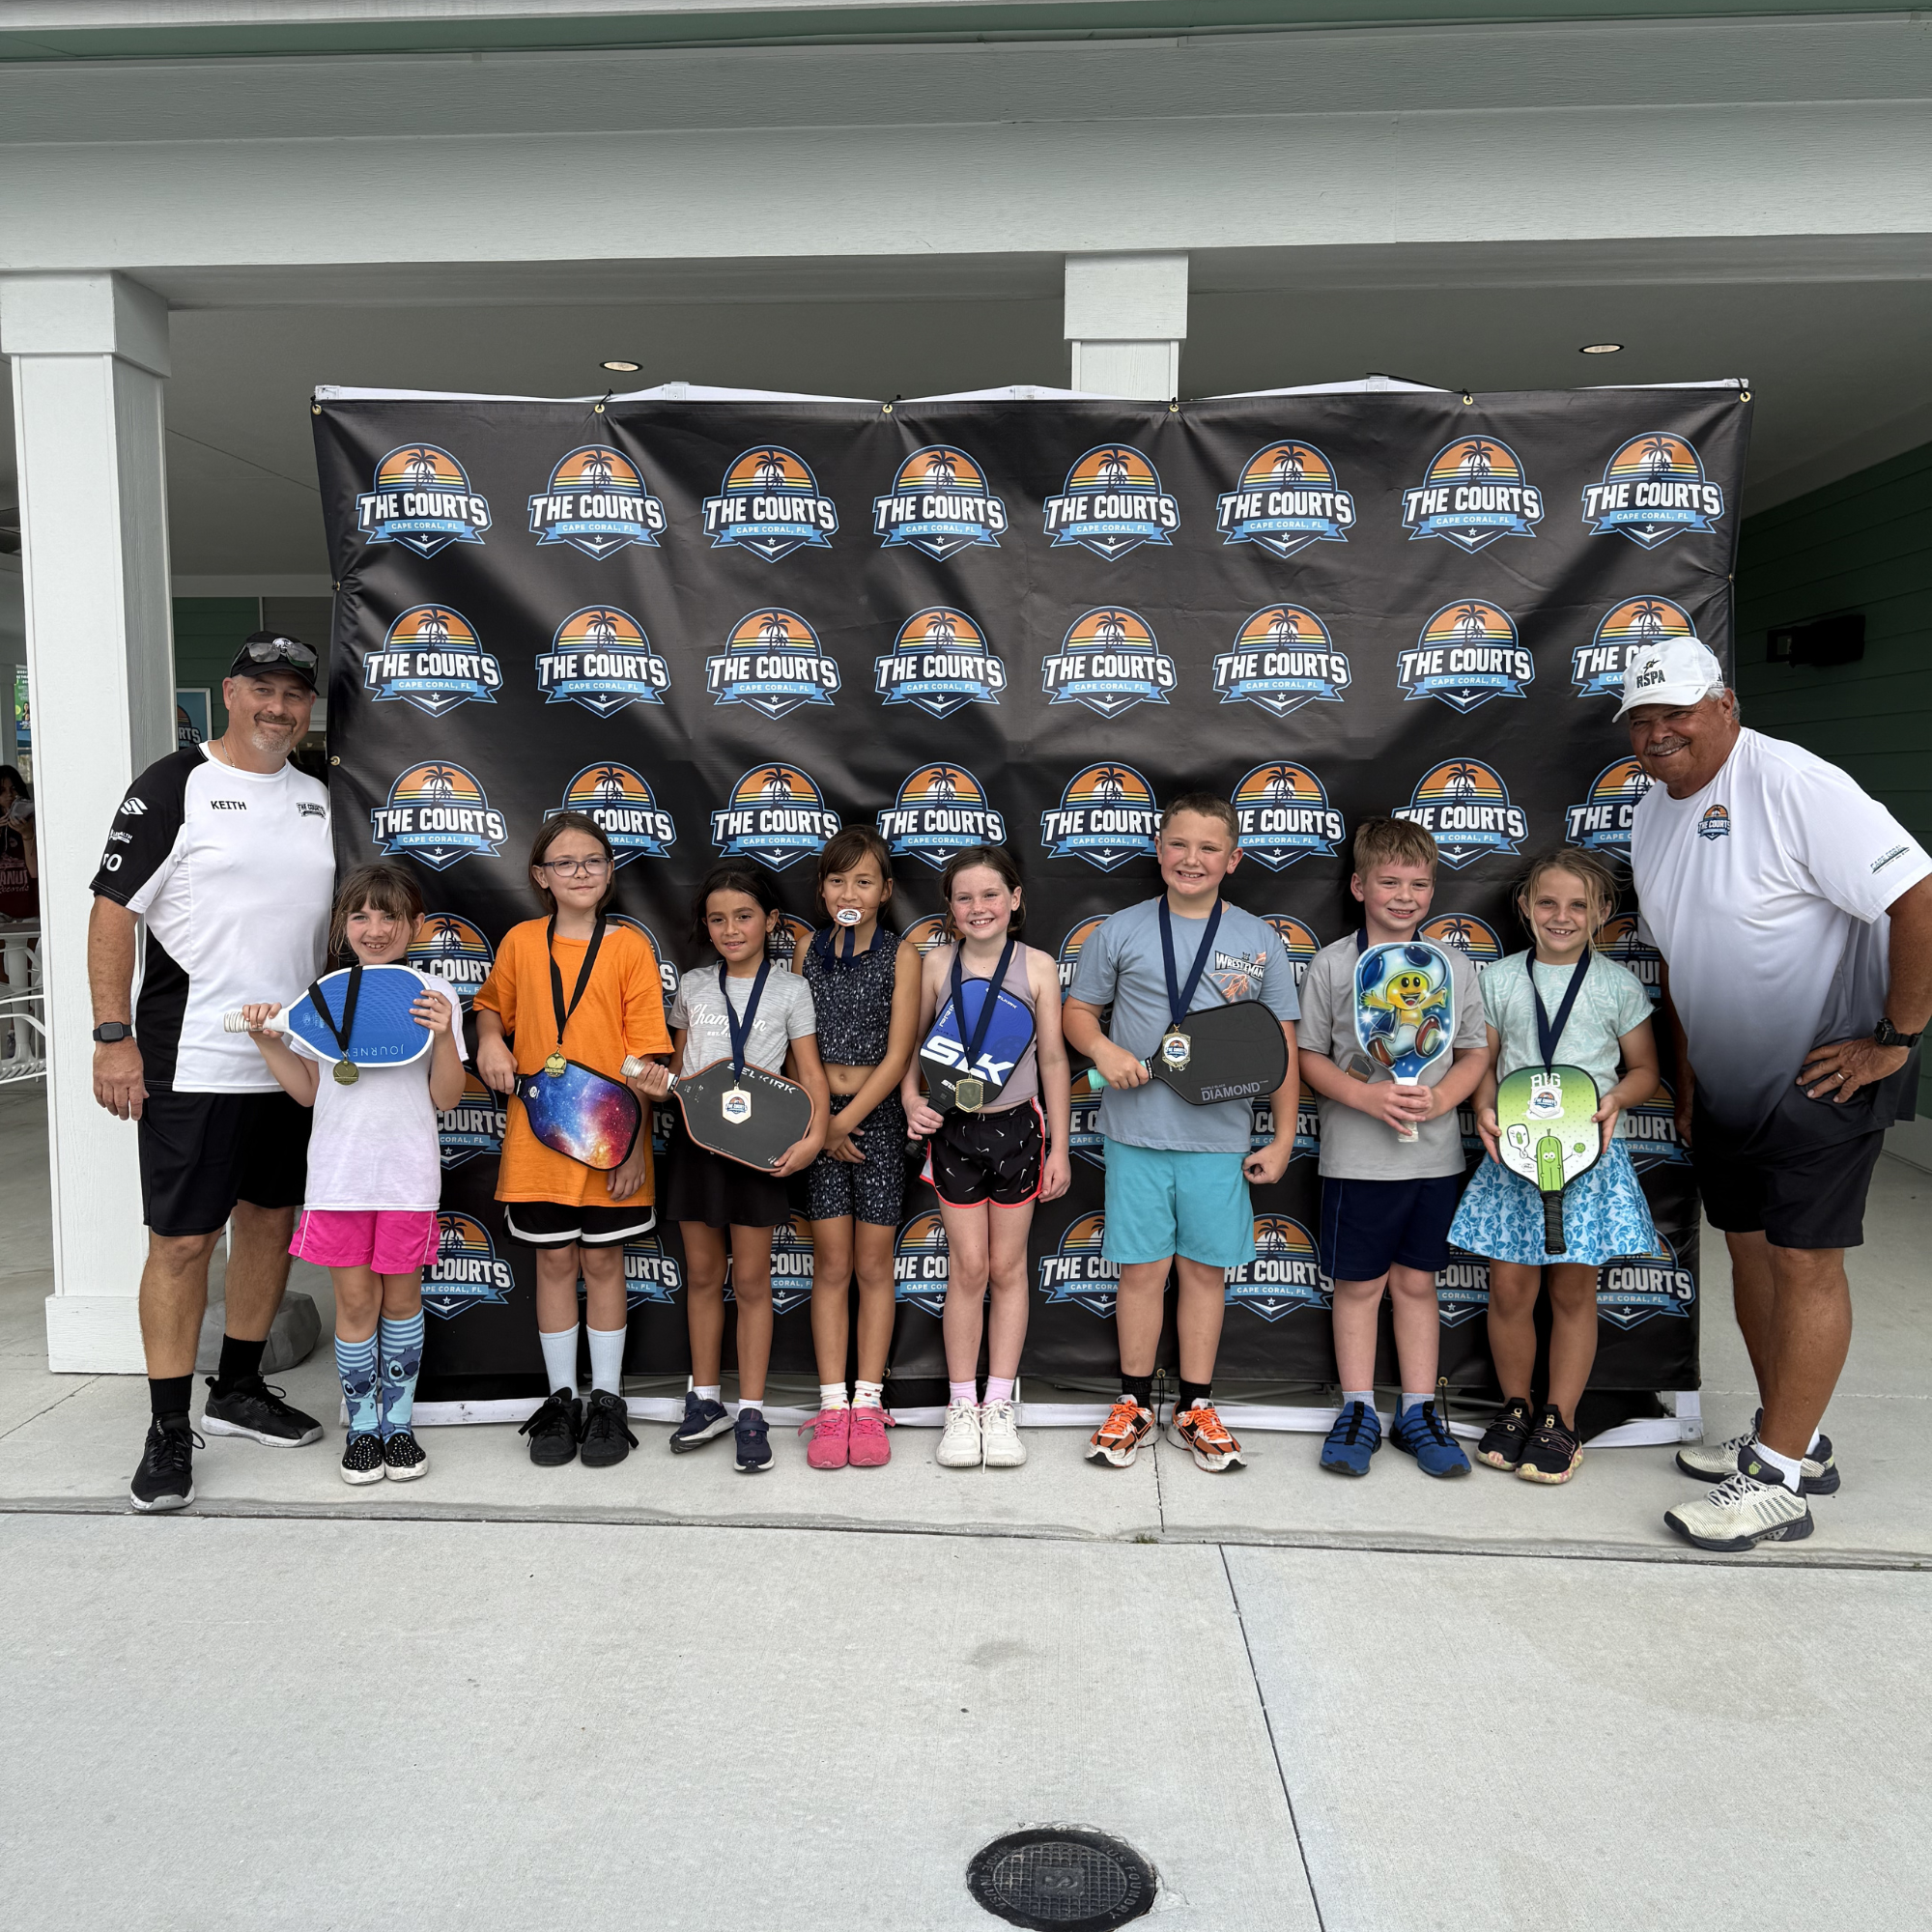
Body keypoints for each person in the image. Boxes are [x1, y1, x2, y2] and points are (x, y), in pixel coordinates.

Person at [1618, 638, 1932, 1549]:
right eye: (1642, 718)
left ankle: (1778, 1483)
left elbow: (1917, 893)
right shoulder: (1652, 810)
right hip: (1726, 1079)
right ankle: (1789, 1440)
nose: (1659, 732)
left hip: (1822, 1069)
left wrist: (1895, 1041)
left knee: (1803, 1262)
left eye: (1677, 712)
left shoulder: (1795, 783)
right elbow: (1685, 955)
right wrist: (1688, 1078)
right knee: (1750, 1251)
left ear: (1726, 705)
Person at [91, 632, 335, 1514]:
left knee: (269, 1223)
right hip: (191, 1056)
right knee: (184, 1242)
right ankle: (167, 1427)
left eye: (295, 694)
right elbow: (113, 912)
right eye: (263, 689)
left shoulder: (318, 796)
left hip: (293, 1059)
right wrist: (112, 1036)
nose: (279, 707)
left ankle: (236, 1389)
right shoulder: (173, 784)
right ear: (230, 693)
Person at [1064, 793, 1300, 1472]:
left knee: (1203, 1273)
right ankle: (1134, 1403)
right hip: (1135, 1133)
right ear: (1157, 848)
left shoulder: (1258, 940)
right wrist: (1103, 1049)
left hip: (1220, 1139)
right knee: (1141, 1272)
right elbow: (1078, 1012)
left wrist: (1283, 1136)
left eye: (1208, 848)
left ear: (1234, 859)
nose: (1191, 859)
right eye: (1178, 844)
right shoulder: (1121, 930)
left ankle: (1195, 1406)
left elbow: (1280, 1045)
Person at [237, 865, 465, 1484]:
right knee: (356, 1302)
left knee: (402, 1301)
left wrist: (445, 1037)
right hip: (338, 1181)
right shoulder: (324, 994)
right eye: (360, 915)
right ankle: (363, 1430)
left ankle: (399, 1427)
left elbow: (447, 1097)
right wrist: (267, 1041)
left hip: (408, 1181)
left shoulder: (434, 995)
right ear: (342, 925)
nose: (375, 928)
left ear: (417, 925)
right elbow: (309, 1092)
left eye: (390, 915)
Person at [1448, 850, 1660, 1484]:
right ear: (1525, 906)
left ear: (1602, 911)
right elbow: (1483, 1062)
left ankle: (1560, 1420)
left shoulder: (1618, 986)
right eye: (1547, 902)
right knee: (1510, 1289)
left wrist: (1617, 1099)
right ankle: (1516, 1407)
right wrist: (1483, 1108)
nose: (1560, 916)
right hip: (1514, 1155)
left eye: (1577, 905)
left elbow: (1645, 1070)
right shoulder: (1499, 980)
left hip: (1586, 1156)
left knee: (1572, 1292)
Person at [473, 814, 670, 1472]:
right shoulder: (521, 941)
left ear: (610, 871)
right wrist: (490, 1039)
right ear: (541, 876)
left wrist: (633, 1143)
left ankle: (607, 1399)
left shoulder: (629, 947)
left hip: (613, 1137)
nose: (580, 872)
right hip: (540, 1139)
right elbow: (490, 1006)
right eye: (565, 863)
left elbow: (646, 1054)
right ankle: (561, 1399)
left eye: (593, 860)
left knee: (605, 1263)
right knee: (555, 1264)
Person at [1294, 818, 1488, 1479]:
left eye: (1419, 884)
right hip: (1356, 1159)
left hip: (1434, 1160)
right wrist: (1366, 1097)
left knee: (1416, 1284)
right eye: (1390, 882)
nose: (1405, 896)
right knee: (1359, 1286)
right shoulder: (1332, 964)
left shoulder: (1453, 966)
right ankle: (1357, 1410)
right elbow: (1309, 1055)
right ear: (1358, 886)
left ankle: (1418, 1412)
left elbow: (1473, 1052)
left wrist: (1444, 1098)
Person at [634, 866, 828, 1473]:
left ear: (771, 921)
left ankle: (751, 1411)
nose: (731, 929)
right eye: (717, 919)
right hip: (697, 1148)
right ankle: (705, 1399)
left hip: (759, 1152)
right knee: (700, 1275)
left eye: (744, 916)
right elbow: (675, 1074)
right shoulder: (693, 985)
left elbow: (810, 1074)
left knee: (751, 1282)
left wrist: (814, 1138)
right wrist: (658, 1085)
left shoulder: (791, 989)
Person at [901, 846, 1071, 1471]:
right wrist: (910, 1099)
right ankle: (961, 1405)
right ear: (949, 908)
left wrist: (1059, 1147)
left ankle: (999, 1403)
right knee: (969, 1269)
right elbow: (911, 1047)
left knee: (1007, 1268)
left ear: (1015, 899)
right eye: (965, 897)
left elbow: (1053, 1058)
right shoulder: (936, 963)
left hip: (1020, 1130)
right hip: (954, 1133)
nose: (979, 907)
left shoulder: (1039, 967)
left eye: (991, 894)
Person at [790, 830, 922, 1470]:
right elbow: (795, 1043)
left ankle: (868, 1402)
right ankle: (832, 1404)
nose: (850, 893)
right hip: (816, 1120)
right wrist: (823, 1122)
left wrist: (845, 1123)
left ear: (885, 891)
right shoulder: (806, 948)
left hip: (878, 1122)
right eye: (838, 881)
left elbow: (900, 1055)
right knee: (832, 1265)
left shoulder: (903, 955)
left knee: (873, 1266)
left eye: (864, 881)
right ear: (822, 890)